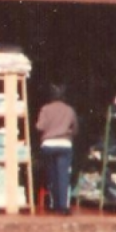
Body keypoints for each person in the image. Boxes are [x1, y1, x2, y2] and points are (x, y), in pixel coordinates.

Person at [36, 84, 78, 215]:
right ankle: (63, 207)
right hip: (65, 144)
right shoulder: (70, 110)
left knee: (52, 174)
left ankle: (53, 204)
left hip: (48, 144)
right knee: (63, 175)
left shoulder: (45, 109)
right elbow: (75, 128)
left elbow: (40, 127)